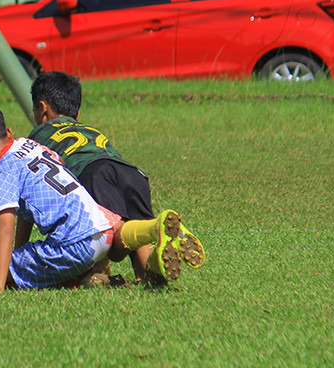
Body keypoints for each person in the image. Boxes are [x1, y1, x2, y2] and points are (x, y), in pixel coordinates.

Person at [0, 105, 188, 292]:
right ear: (8, 132)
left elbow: (6, 228)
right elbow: (54, 165)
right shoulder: (30, 145)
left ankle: (88, 279)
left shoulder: (3, 174)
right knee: (117, 238)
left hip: (78, 246)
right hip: (105, 226)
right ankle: (152, 231)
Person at [25, 70, 205, 282]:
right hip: (132, 173)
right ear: (78, 113)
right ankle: (151, 271)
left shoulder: (38, 135)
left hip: (93, 173)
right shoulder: (90, 130)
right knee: (140, 243)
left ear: (42, 108)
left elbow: (29, 184)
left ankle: (155, 228)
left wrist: (17, 251)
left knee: (112, 240)